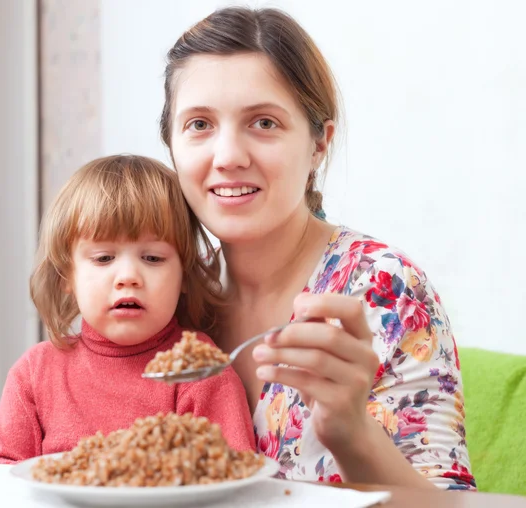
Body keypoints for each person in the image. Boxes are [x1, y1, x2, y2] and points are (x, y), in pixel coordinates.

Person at [159, 6, 475, 490]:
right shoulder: (172, 296)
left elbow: (450, 504)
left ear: (318, 145)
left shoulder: (385, 291)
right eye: (199, 125)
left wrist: (350, 434)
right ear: (172, 146)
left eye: (263, 123)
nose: (227, 157)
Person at [0, 155, 255, 464]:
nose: (128, 277)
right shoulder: (35, 372)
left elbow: (234, 478)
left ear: (185, 276)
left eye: (152, 258)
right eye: (104, 258)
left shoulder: (202, 373)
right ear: (68, 276)